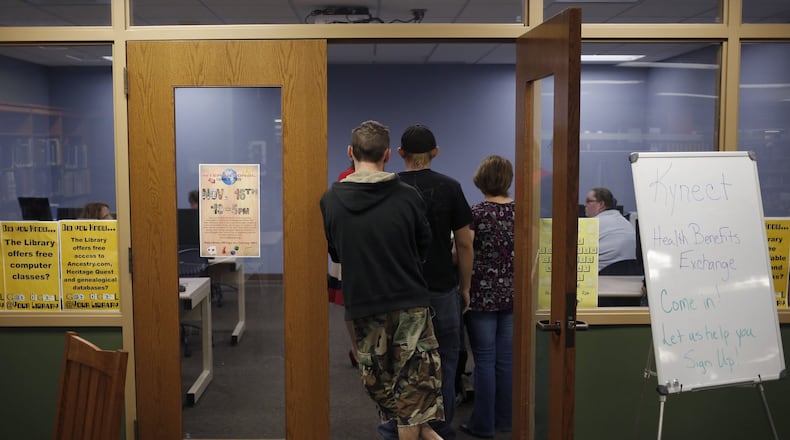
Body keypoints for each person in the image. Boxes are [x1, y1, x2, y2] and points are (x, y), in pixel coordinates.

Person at [320, 120, 444, 440]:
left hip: (364, 305)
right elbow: (423, 246)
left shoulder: (330, 200)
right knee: (412, 400)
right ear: (388, 155)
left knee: (392, 395)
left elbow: (336, 253)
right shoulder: (409, 196)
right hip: (409, 302)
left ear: (350, 152)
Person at [381, 123, 473, 440]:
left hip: (399, 290)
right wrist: (465, 287)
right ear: (435, 152)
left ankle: (397, 428)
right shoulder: (451, 187)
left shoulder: (387, 189)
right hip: (442, 288)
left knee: (399, 363)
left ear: (400, 153)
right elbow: (464, 244)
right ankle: (439, 428)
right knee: (445, 360)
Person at [460, 155, 515, 438]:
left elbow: (463, 251)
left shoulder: (476, 213)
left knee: (484, 359)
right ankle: (506, 420)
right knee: (506, 360)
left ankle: (483, 424)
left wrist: (464, 286)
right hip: (512, 295)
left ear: (481, 179)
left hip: (481, 295)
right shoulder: (521, 212)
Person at [327, 160, 360, 367]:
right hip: (350, 250)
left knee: (353, 304)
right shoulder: (346, 178)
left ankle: (359, 349)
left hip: (348, 249)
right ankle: (359, 349)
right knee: (352, 303)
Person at [584, 187, 636, 272]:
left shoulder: (591, 225)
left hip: (600, 275)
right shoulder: (627, 223)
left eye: (588, 201)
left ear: (601, 204)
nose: (585, 205)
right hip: (630, 275)